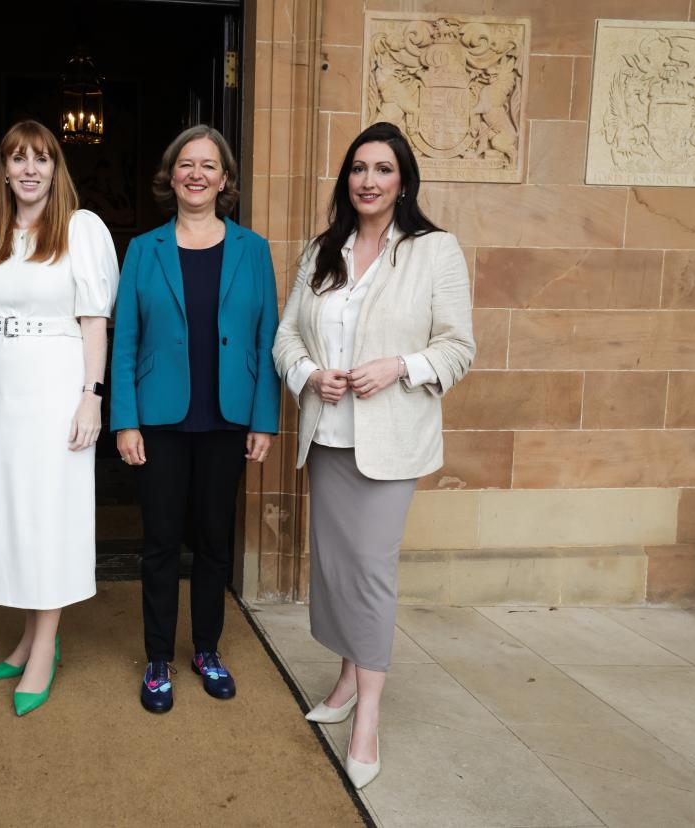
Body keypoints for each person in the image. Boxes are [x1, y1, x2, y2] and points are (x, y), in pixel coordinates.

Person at [273, 121, 474, 787]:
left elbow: (458, 346)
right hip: (327, 434)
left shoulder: (434, 251)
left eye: (382, 169)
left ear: (404, 181)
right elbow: (284, 337)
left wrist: (400, 367)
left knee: (370, 569)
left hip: (391, 440)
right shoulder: (319, 251)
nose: (368, 180)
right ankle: (346, 679)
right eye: (359, 168)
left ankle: (369, 719)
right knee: (333, 566)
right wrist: (307, 374)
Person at [0, 120, 119, 717]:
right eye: (17, 158)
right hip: (0, 388)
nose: (29, 169)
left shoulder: (81, 229)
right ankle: (28, 636)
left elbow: (95, 322)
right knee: (14, 515)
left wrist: (91, 396)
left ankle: (46, 645)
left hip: (56, 385)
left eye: (41, 159)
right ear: (3, 168)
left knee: (50, 515)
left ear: (55, 168)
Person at [111, 125, 280, 714]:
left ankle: (206, 648)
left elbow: (266, 340)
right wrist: (124, 420)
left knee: (213, 543)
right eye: (187, 164)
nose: (197, 175)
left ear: (225, 179)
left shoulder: (254, 251)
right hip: (159, 420)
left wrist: (264, 419)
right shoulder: (143, 250)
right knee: (158, 543)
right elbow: (125, 339)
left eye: (209, 166)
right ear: (171, 175)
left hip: (227, 420)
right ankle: (158, 656)